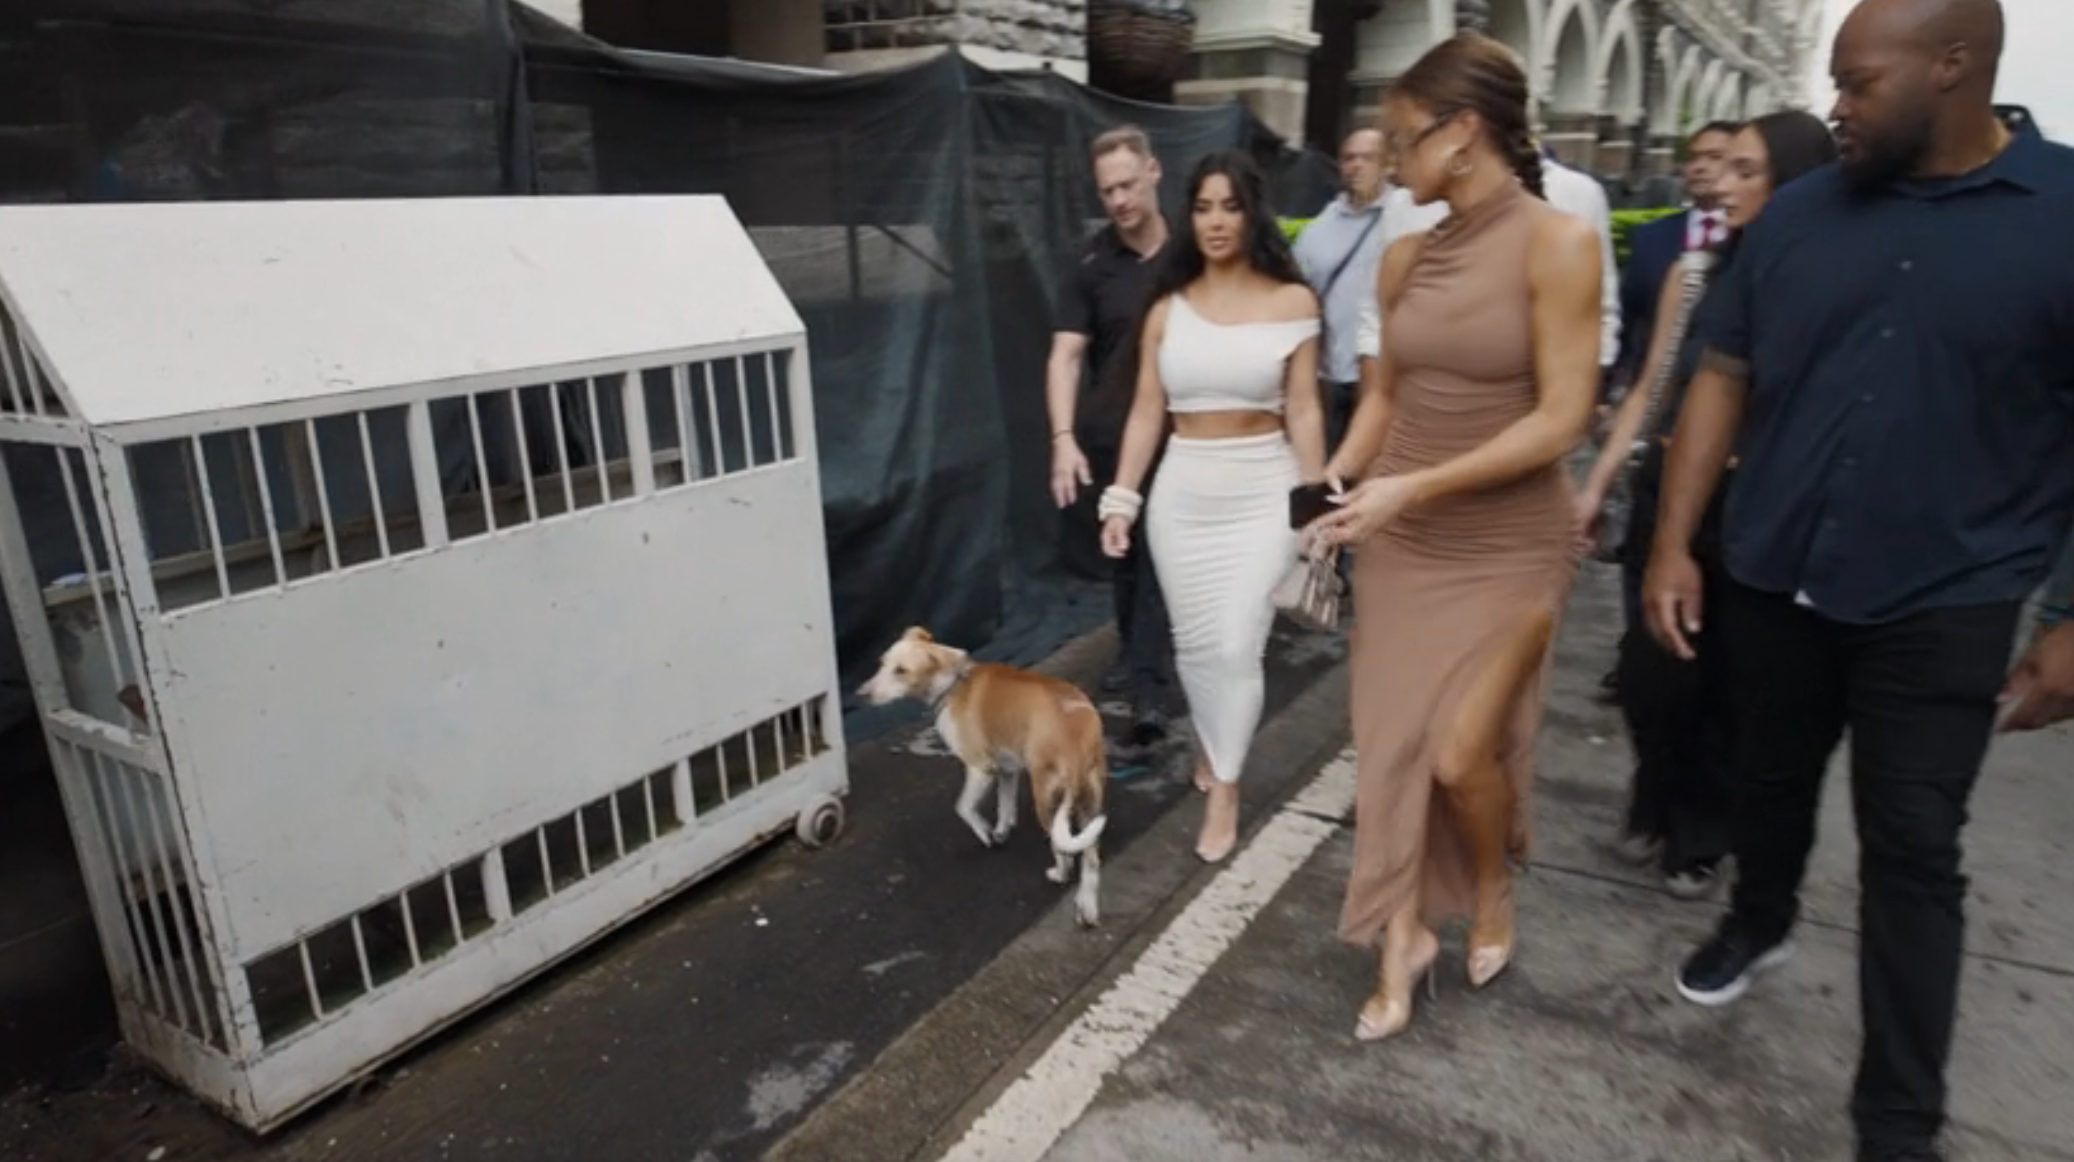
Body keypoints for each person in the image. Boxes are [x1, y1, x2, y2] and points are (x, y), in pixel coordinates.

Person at [1641, 2, 2074, 1158]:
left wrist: (2073, 618)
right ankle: (1759, 917)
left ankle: (1897, 1123)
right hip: (1777, 572)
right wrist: (1677, 541)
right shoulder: (1793, 222)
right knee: (1767, 779)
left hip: (1949, 595)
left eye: (1856, 81)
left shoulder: (2065, 214)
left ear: (1953, 67)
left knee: (1914, 848)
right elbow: (1720, 376)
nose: (1833, 104)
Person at [1304, 31, 1602, 1042]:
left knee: (1460, 751)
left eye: (1400, 139)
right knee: (1392, 751)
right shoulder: (1400, 259)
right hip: (1402, 538)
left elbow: (1562, 418)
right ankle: (1401, 940)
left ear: (1465, 133)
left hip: (1509, 543)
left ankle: (1489, 887)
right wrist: (1339, 481)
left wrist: (1412, 487)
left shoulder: (1559, 244)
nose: (1388, 160)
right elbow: (1387, 395)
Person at [1572, 110, 1838, 898]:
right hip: (1668, 495)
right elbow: (1655, 387)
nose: (1721, 184)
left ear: (1794, 185)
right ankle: (1653, 806)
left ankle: (1700, 835)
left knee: (1721, 684)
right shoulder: (1696, 276)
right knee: (1651, 676)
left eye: (1746, 169)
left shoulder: (1819, 288)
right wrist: (1598, 481)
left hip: (1756, 513)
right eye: (1721, 167)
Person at [1096, 151, 1326, 864]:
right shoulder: (1167, 307)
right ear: (1189, 216)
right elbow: (1144, 413)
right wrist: (1122, 500)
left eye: (1230, 206)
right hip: (1182, 495)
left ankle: (1224, 785)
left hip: (1262, 486)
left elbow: (1305, 410)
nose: (1217, 221)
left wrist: (1315, 510)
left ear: (1252, 212)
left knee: (1235, 645)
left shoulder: (1294, 303)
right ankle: (1215, 740)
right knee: (1198, 648)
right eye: (1203, 208)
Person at [1595, 119, 1739, 703]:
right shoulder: (1667, 249)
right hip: (1664, 443)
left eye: (1730, 163)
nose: (1709, 172)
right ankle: (1643, 666)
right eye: (1698, 158)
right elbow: (1643, 344)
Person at [1047, 125, 1176, 742]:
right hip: (1111, 437)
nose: (1120, 199)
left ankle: (1153, 693)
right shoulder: (1093, 264)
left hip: (1185, 441)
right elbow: (1066, 355)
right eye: (1107, 191)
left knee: (1159, 563)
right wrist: (1063, 437)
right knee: (1126, 563)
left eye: (1127, 184)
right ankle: (1136, 655)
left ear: (1153, 171)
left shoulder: (1194, 251)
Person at [1292, 128, 1390, 460]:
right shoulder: (1318, 229)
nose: (1357, 166)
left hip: (1384, 378)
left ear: (1388, 163)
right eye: (1349, 158)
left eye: (1368, 158)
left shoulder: (1407, 218)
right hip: (1328, 378)